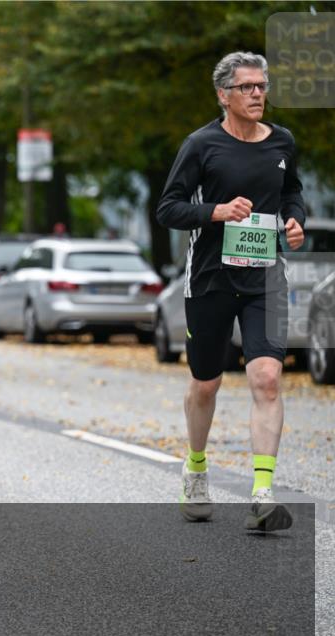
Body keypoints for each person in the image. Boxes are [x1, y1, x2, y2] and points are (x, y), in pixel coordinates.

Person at [157, 52, 306, 532]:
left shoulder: (282, 141)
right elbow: (168, 208)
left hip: (265, 278)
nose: (258, 93)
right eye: (247, 87)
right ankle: (196, 467)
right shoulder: (201, 145)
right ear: (224, 94)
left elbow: (292, 191)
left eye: (262, 85)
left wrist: (294, 219)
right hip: (211, 279)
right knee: (206, 383)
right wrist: (215, 212)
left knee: (267, 378)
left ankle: (262, 494)